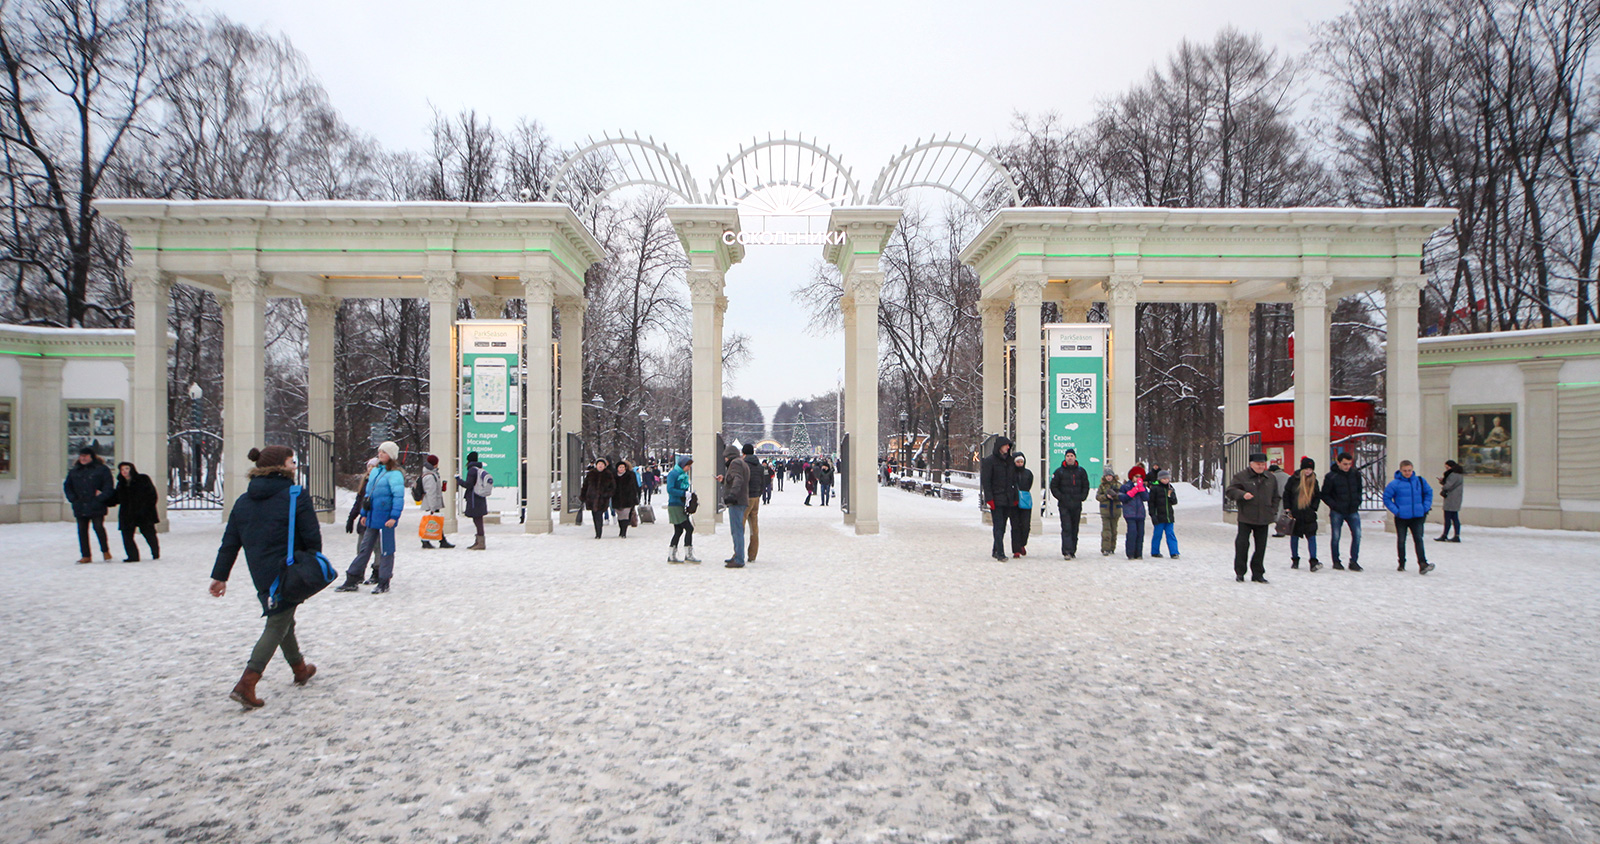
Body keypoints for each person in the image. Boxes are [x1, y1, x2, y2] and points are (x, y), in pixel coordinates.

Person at [209, 445, 321, 709]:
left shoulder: (243, 501)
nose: (295, 465)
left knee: (282, 617)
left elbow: (229, 542)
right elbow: (312, 536)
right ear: (281, 466)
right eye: (292, 461)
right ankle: (247, 683)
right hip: (289, 570)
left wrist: (220, 576)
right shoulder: (295, 494)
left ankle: (299, 669)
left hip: (260, 572)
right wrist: (311, 563)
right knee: (277, 623)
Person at [335, 441, 405, 594]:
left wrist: (394, 516)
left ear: (391, 455)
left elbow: (398, 497)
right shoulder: (375, 472)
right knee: (365, 548)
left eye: (384, 452)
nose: (380, 455)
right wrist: (364, 514)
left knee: (387, 550)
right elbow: (368, 495)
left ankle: (383, 580)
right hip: (373, 515)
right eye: (380, 452)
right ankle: (352, 577)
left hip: (386, 517)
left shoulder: (395, 475)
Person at [1226, 452, 1280, 583]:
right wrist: (1242, 494)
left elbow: (1276, 497)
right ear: (1251, 464)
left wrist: (1272, 511)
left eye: (1263, 464)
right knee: (1242, 545)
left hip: (1264, 518)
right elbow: (1230, 491)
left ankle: (1258, 573)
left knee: (1261, 547)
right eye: (1258, 464)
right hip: (1246, 517)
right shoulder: (1241, 476)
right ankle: (1240, 572)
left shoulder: (1270, 478)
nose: (1261, 466)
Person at [64, 446, 116, 563]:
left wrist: (101, 498)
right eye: (81, 456)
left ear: (91, 457)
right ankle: (86, 555)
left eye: (86, 456)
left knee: (98, 527)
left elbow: (108, 487)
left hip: (96, 504)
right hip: (80, 505)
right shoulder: (74, 471)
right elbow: (68, 486)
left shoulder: (102, 469)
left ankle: (105, 551)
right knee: (82, 530)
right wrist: (73, 499)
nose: (83, 458)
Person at [1383, 460, 1434, 574]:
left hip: (1417, 515)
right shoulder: (1394, 484)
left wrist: (1425, 507)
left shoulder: (1420, 481)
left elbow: (1429, 493)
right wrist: (1397, 511)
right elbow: (1386, 498)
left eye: (1409, 470)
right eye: (1405, 471)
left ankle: (1422, 563)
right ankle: (1401, 563)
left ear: (1413, 470)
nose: (1407, 473)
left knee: (1418, 539)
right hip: (1402, 517)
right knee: (1401, 540)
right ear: (1400, 470)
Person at [1321, 451, 1364, 571]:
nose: (1347, 466)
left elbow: (1359, 490)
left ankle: (1354, 561)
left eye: (1349, 464)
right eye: (1345, 464)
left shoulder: (1355, 474)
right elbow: (1325, 494)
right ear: (1338, 462)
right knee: (1335, 536)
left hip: (1352, 509)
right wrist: (1334, 506)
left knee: (1357, 535)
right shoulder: (1331, 476)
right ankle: (1336, 561)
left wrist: (1357, 501)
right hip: (1337, 511)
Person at [109, 461, 160, 562]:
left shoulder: (143, 479)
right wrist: (103, 497)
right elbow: (117, 498)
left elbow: (152, 494)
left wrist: (147, 508)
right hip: (127, 513)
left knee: (148, 533)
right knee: (126, 535)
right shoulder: (121, 483)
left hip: (144, 512)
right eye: (122, 469)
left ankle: (155, 553)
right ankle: (132, 556)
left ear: (132, 469)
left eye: (127, 469)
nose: (124, 471)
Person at [980, 436, 1018, 561]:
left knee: (1002, 526)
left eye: (1009, 446)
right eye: (1006, 445)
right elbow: (986, 482)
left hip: (1008, 498)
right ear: (999, 447)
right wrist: (989, 498)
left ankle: (995, 549)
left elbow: (1014, 481)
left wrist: (1015, 497)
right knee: (998, 526)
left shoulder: (1010, 461)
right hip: (996, 498)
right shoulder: (989, 461)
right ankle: (1000, 552)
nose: (1008, 448)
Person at [1048, 448, 1091, 559]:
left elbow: (1086, 485)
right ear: (1065, 458)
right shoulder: (1059, 472)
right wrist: (1061, 497)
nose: (1070, 458)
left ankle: (1073, 550)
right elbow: (1053, 486)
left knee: (1074, 528)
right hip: (1064, 504)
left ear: (1075, 457)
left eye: (1071, 456)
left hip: (1076, 504)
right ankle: (1066, 550)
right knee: (1066, 527)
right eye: (1068, 456)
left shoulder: (1081, 471)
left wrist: (1082, 497)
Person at [1283, 456, 1322, 571]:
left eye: (1310, 469)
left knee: (1312, 538)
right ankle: (1295, 559)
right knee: (1294, 537)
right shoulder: (1293, 479)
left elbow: (1317, 496)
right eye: (1306, 469)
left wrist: (1313, 508)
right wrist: (1288, 508)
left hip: (1309, 514)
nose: (1308, 471)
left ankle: (1313, 561)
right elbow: (1287, 494)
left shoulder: (1314, 481)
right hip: (1296, 513)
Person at [717, 444, 750, 567]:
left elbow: (738, 479)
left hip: (737, 501)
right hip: (741, 500)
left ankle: (739, 559)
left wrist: (732, 495)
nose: (725, 460)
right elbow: (735, 478)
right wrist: (724, 479)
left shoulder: (735, 463)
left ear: (729, 456)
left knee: (737, 531)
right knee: (738, 530)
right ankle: (737, 555)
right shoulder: (742, 463)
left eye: (725, 457)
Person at [666, 455, 700, 563]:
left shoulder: (683, 475)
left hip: (681, 504)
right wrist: (684, 493)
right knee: (688, 528)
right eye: (687, 466)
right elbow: (670, 489)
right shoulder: (673, 474)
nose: (688, 468)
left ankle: (672, 555)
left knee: (679, 530)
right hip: (675, 504)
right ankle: (687, 554)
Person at [418, 454, 453, 549]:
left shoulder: (431, 474)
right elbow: (431, 492)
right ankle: (429, 541)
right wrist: (433, 507)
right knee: (431, 521)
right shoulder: (430, 476)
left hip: (431, 502)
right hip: (431, 503)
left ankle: (440, 540)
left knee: (434, 521)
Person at [455, 451, 488, 551]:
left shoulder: (472, 471)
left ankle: (480, 543)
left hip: (474, 498)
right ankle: (479, 541)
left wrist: (458, 480)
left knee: (477, 519)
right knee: (478, 519)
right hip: (480, 497)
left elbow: (468, 485)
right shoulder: (479, 469)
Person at [1118, 466, 1150, 559]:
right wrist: (1133, 491)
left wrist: (1141, 489)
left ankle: (1138, 553)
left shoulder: (1142, 487)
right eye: (1136, 476)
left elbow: (1146, 498)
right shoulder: (1125, 487)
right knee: (1132, 533)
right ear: (1132, 476)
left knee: (1140, 534)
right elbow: (1122, 498)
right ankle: (1130, 553)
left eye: (1140, 477)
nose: (1137, 478)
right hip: (1130, 513)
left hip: (1140, 514)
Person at [579, 457, 615, 538]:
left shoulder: (608, 474)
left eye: (602, 464)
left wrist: (607, 494)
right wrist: (583, 496)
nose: (600, 466)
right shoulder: (591, 474)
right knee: (595, 515)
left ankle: (599, 533)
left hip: (603, 499)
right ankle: (597, 530)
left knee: (599, 515)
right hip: (591, 498)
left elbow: (612, 487)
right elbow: (585, 485)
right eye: (599, 464)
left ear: (605, 466)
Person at [1148, 469, 1179, 559]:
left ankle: (1174, 552)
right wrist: (1153, 515)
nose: (1166, 480)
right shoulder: (1154, 488)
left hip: (1169, 516)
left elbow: (1174, 501)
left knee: (1170, 534)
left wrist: (1169, 495)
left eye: (1167, 478)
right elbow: (1151, 503)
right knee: (1157, 534)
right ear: (1160, 479)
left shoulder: (1170, 488)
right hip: (1159, 516)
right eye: (1164, 479)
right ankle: (1155, 551)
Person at [741, 444, 764, 561]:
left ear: (743, 453)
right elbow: (764, 481)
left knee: (740, 526)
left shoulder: (744, 465)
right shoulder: (759, 466)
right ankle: (752, 554)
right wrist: (759, 493)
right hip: (756, 498)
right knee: (754, 527)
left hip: (745, 497)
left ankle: (739, 553)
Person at [1010, 452, 1034, 557]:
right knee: (1015, 526)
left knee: (1025, 526)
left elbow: (1029, 484)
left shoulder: (1028, 473)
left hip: (1025, 502)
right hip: (1013, 502)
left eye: (1021, 462)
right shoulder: (1010, 473)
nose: (1020, 464)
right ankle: (1016, 549)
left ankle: (1022, 543)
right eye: (1017, 462)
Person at [1096, 468, 1122, 557]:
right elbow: (1098, 496)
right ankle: (1105, 548)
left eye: (1110, 476)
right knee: (1106, 530)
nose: (1109, 478)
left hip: (1116, 511)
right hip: (1105, 511)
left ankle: (1112, 548)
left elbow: (1122, 496)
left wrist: (1115, 496)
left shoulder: (1118, 485)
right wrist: (1106, 497)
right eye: (1107, 476)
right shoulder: (1102, 486)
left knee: (1114, 530)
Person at [613, 459, 640, 538]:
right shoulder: (614, 476)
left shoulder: (630, 475)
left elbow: (635, 486)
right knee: (620, 516)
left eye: (623, 467)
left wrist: (635, 496)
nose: (621, 469)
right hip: (617, 499)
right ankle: (621, 529)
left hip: (628, 499)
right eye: (620, 467)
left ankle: (624, 532)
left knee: (625, 515)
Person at [1437, 460, 1464, 542]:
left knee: (1448, 517)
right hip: (1456, 498)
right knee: (1455, 517)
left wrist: (1442, 482)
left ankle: (1445, 535)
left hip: (1451, 499)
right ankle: (1456, 535)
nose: (1446, 469)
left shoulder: (1453, 475)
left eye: (1447, 467)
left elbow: (1448, 486)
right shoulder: (1459, 474)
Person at [1269, 462, 1293, 536]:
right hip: (1288, 497)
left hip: (1278, 497)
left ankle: (1280, 531)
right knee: (1285, 514)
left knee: (1279, 515)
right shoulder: (1288, 476)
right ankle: (1287, 529)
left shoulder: (1273, 477)